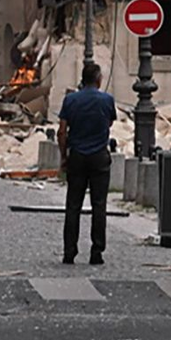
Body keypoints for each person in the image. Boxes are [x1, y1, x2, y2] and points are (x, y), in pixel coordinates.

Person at [57, 62, 116, 265]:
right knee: (99, 205)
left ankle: (69, 251)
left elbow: (62, 131)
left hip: (78, 156)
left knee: (73, 205)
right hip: (99, 155)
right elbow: (109, 122)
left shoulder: (70, 100)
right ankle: (97, 251)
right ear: (99, 79)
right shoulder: (107, 99)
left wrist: (63, 156)